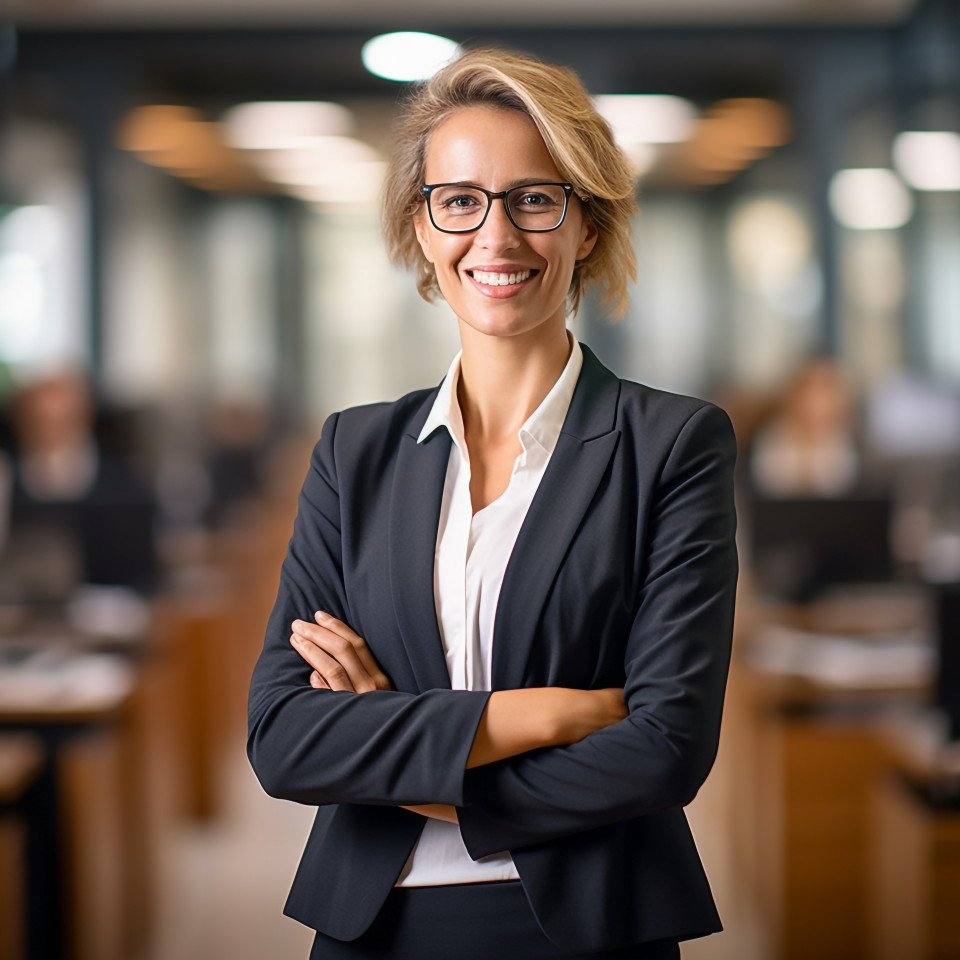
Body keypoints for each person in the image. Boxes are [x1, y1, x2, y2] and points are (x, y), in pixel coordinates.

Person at [248, 48, 738, 960]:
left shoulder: (672, 444)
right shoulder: (354, 450)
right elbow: (284, 738)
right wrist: (547, 716)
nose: (498, 237)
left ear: (585, 224)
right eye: (461, 200)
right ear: (424, 228)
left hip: (590, 922)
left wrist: (393, 752)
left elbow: (665, 747)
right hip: (371, 923)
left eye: (535, 198)